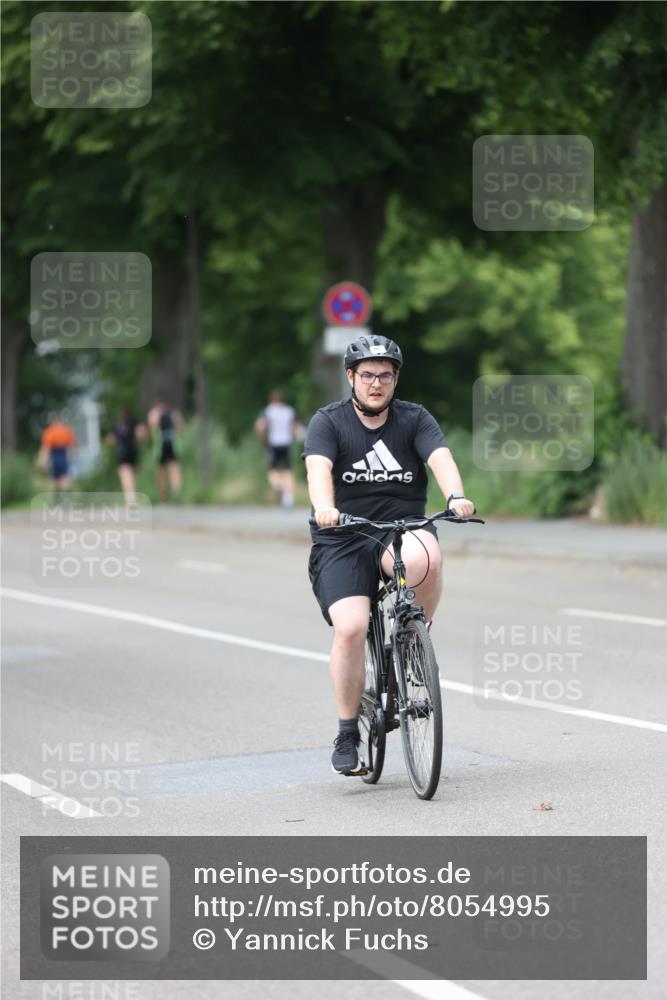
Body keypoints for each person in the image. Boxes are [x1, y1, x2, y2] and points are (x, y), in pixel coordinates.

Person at [302, 334, 475, 776]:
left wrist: (455, 495)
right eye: (367, 375)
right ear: (351, 378)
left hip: (398, 527)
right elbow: (317, 469)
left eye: (385, 375)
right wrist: (326, 508)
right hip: (342, 536)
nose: (375, 383)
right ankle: (346, 732)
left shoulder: (414, 419)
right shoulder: (329, 422)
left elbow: (440, 459)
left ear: (396, 380)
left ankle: (415, 637)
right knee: (352, 628)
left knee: (426, 558)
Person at [255, 389, 302, 508]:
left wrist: (262, 439)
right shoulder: (289, 410)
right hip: (286, 443)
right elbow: (295, 428)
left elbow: (260, 426)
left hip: (273, 443)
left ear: (271, 400)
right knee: (287, 471)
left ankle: (278, 486)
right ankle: (289, 498)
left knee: (272, 470)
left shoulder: (267, 411)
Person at [147, 401, 185, 502]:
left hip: (172, 445)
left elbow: (181, 429)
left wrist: (177, 420)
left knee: (174, 469)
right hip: (160, 448)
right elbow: (151, 432)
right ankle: (163, 496)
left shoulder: (173, 415)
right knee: (161, 472)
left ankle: (176, 493)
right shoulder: (154, 416)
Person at [106, 407, 146, 503]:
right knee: (130, 473)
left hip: (123, 452)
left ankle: (130, 496)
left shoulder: (118, 425)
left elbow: (111, 439)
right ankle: (132, 494)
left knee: (125, 473)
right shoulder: (134, 422)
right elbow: (142, 433)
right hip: (133, 451)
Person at [37, 412, 77, 496]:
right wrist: (74, 458)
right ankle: (66, 497)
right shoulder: (66, 430)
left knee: (55, 479)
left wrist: (42, 461)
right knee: (65, 477)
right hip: (63, 455)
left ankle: (58, 498)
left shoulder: (49, 431)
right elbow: (73, 446)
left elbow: (46, 448)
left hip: (55, 456)